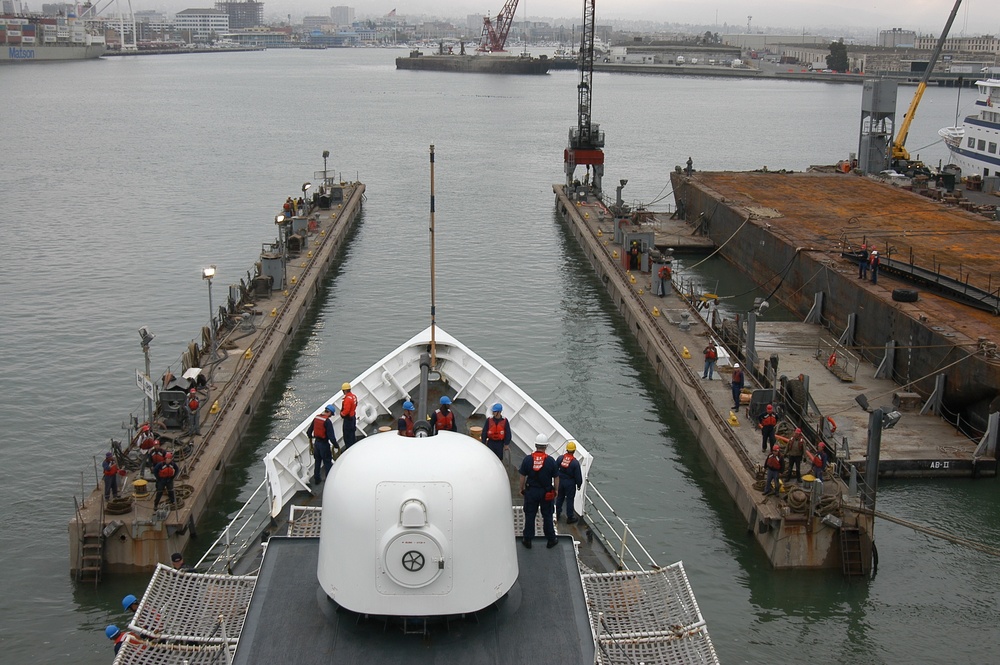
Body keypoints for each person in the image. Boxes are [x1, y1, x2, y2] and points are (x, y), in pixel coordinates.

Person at [518, 434, 559, 549]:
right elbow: (556, 477)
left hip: (531, 492)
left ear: (536, 445)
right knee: (547, 515)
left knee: (530, 515)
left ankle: (528, 540)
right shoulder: (551, 461)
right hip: (546, 493)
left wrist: (521, 489)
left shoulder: (527, 459)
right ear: (546, 446)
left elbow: (522, 476)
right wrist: (556, 490)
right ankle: (551, 539)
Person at [555, 441, 583, 524]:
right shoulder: (575, 463)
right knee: (570, 500)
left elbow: (555, 469)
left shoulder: (560, 458)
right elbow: (578, 476)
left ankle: (557, 514)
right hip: (570, 483)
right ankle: (570, 517)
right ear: (574, 451)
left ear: (567, 450)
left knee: (559, 497)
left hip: (560, 481)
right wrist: (579, 484)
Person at [307, 406, 335, 483]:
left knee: (317, 461)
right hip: (324, 444)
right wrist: (336, 445)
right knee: (327, 462)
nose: (330, 416)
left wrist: (311, 439)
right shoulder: (327, 421)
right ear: (329, 412)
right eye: (331, 414)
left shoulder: (316, 418)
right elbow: (331, 436)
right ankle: (329, 480)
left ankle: (317, 479)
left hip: (316, 444)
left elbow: (309, 432)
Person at [340, 383, 358, 449]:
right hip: (353, 417)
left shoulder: (347, 399)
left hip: (348, 420)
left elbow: (346, 410)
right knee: (352, 434)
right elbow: (356, 404)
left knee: (347, 436)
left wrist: (342, 414)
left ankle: (349, 449)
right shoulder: (354, 396)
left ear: (344, 390)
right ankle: (353, 446)